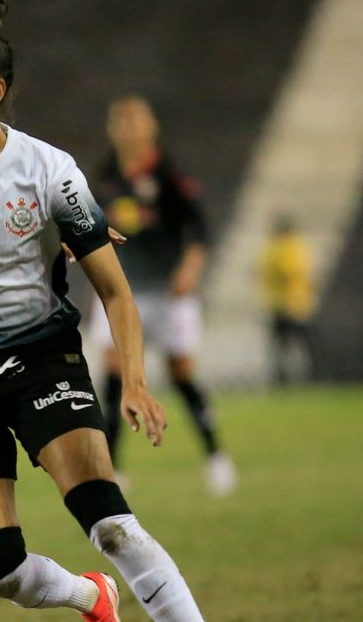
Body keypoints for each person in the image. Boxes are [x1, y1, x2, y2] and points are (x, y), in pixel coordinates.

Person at [0, 0, 205, 621]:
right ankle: (91, 597)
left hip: (39, 366)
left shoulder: (50, 171)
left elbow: (115, 291)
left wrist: (134, 379)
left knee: (111, 526)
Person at [88, 95, 235, 496]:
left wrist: (190, 270)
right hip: (121, 291)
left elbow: (199, 230)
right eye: (122, 121)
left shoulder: (168, 174)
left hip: (168, 293)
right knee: (113, 373)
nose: (129, 128)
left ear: (151, 127)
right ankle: (113, 469)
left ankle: (215, 455)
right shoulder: (105, 176)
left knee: (182, 374)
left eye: (135, 120)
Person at [259, 214, 316, 386]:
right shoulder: (293, 248)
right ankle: (288, 377)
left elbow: (288, 273)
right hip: (290, 305)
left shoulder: (284, 248)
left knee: (287, 345)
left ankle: (294, 376)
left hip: (291, 304)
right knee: (288, 345)